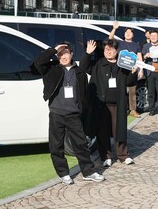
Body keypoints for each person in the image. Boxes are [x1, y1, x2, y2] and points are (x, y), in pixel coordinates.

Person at [33, 42, 105, 185]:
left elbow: (84, 94)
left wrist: (82, 111)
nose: (63, 56)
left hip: (73, 114)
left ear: (71, 54)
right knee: (56, 146)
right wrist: (54, 49)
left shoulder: (79, 72)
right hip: (56, 113)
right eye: (60, 54)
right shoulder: (51, 68)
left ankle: (88, 172)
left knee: (81, 144)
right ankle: (63, 173)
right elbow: (38, 62)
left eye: (65, 53)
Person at [81, 39, 136, 166]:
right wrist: (88, 54)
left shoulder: (123, 64)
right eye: (106, 49)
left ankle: (123, 155)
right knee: (102, 131)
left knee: (119, 130)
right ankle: (106, 156)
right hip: (101, 104)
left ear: (117, 51)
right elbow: (84, 67)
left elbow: (129, 82)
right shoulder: (98, 64)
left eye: (111, 49)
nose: (109, 51)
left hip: (118, 103)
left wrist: (133, 73)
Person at [108, 21, 142, 118]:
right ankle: (120, 109)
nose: (128, 34)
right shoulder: (119, 43)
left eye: (130, 32)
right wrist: (114, 28)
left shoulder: (136, 45)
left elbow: (139, 57)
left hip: (133, 71)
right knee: (120, 90)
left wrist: (140, 69)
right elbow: (110, 39)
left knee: (132, 91)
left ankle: (132, 110)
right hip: (120, 70)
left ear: (133, 35)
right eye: (126, 32)